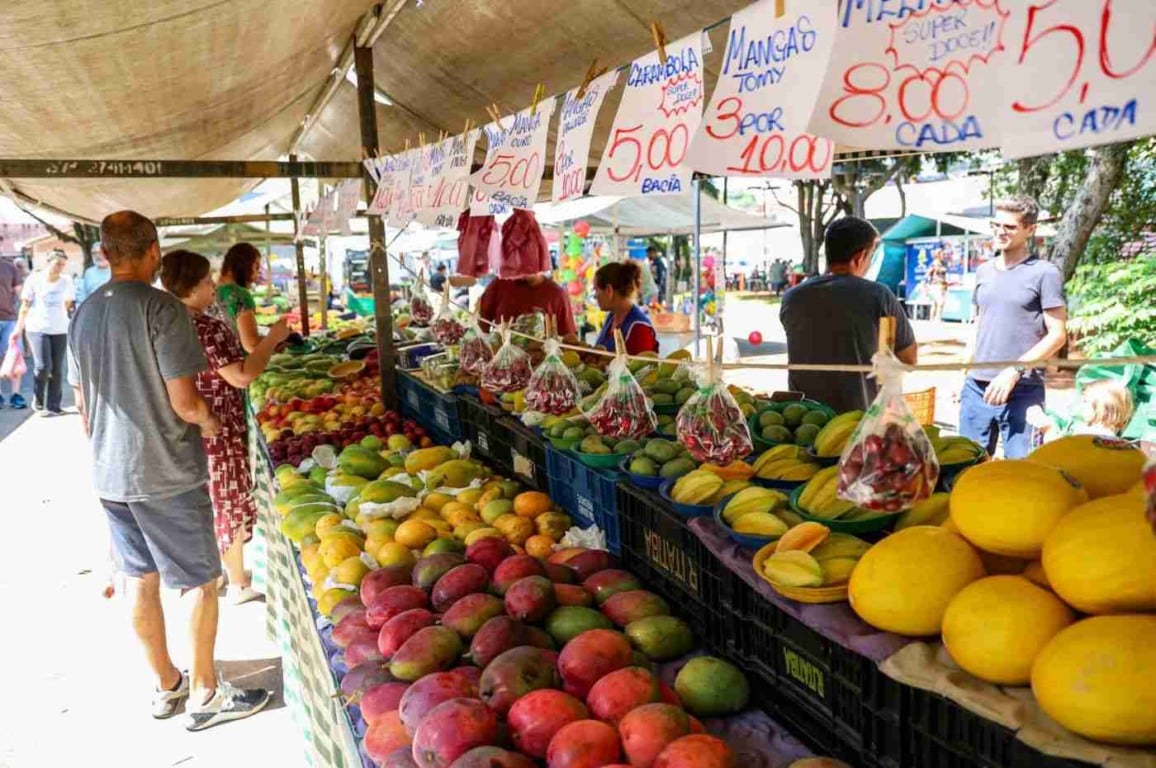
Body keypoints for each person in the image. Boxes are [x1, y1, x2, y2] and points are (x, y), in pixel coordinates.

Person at [68, 211, 270, 730]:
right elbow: (184, 401)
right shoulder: (162, 309)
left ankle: (167, 684)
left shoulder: (85, 311)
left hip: (111, 472)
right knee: (202, 582)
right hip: (165, 469)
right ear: (154, 251)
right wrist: (207, 421)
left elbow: (82, 402)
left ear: (106, 254)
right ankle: (205, 693)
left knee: (141, 581)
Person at [161, 250, 290, 603]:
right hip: (218, 425)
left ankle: (212, 576)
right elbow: (242, 375)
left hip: (184, 426)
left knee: (207, 500)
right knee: (227, 498)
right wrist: (274, 338)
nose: (212, 288)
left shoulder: (164, 322)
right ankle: (237, 583)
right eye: (206, 281)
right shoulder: (206, 326)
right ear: (190, 286)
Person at [960, 197, 1067, 459]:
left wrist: (1014, 371)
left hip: (1023, 389)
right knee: (964, 468)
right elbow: (979, 322)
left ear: (1030, 229)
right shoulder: (984, 271)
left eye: (1009, 227)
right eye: (995, 224)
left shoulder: (1045, 273)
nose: (1000, 231)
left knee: (1022, 471)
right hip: (976, 388)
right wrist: (963, 373)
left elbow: (1057, 334)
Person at [780, 216, 917, 413]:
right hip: (860, 421)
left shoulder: (792, 297)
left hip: (804, 418)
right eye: (870, 257)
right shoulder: (879, 295)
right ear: (860, 257)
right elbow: (909, 358)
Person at [13, 251, 75, 415]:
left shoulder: (67, 281)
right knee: (42, 366)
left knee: (57, 369)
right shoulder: (34, 279)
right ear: (49, 262)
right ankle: (38, 401)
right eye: (57, 263)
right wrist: (18, 329)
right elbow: (25, 306)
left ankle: (54, 405)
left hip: (59, 328)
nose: (60, 267)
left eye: (63, 264)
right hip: (37, 328)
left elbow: (68, 304)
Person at [478, 273, 578, 343]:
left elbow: (568, 338)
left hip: (542, 365)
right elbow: (482, 325)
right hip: (503, 362)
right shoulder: (499, 284)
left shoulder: (557, 294)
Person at [592, 261, 659, 355]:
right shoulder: (612, 317)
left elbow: (640, 368)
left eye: (596, 290)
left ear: (609, 290)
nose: (595, 296)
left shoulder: (639, 329)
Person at [216, 242, 263, 352]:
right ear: (244, 265)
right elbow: (252, 345)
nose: (258, 273)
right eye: (256, 267)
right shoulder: (239, 294)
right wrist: (276, 338)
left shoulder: (212, 291)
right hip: (239, 362)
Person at [0, 253, 26, 409]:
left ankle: (16, 395)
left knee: (14, 356)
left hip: (10, 319)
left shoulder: (10, 268)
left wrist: (23, 321)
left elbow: (22, 296)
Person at [926, 252, 948, 321]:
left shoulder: (943, 263)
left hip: (943, 285)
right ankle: (935, 319)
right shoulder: (934, 263)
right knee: (938, 302)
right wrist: (928, 283)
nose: (944, 255)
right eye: (942, 254)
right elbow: (928, 273)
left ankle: (936, 318)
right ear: (938, 255)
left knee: (939, 303)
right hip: (936, 285)